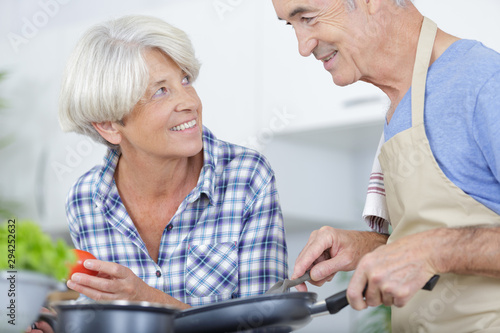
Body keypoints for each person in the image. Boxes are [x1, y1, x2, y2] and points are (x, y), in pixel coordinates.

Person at [272, 0, 500, 331]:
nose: (303, 46)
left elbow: (437, 248)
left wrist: (435, 249)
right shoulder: (401, 107)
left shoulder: (483, 83)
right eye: (291, 26)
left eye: (308, 18)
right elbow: (443, 244)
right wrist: (369, 248)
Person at [56, 14, 288, 312]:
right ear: (109, 125)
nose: (190, 102)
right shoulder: (85, 200)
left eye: (185, 80)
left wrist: (147, 298)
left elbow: (265, 324)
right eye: (160, 91)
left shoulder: (247, 177)